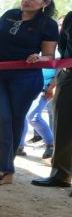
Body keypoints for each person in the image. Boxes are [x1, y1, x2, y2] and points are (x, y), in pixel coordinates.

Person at [0, 0, 59, 185]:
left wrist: (39, 57)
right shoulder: (9, 14)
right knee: (2, 119)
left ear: (46, 2)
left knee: (15, 120)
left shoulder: (48, 24)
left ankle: (3, 167)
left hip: (25, 79)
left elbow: (49, 56)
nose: (26, 0)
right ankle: (2, 166)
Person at [32, 10, 72, 194]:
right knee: (62, 126)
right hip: (68, 76)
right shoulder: (71, 17)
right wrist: (58, 77)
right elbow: (64, 48)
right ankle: (60, 175)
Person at [17, 68, 56, 160]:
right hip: (26, 83)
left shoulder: (59, 53)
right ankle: (19, 145)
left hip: (45, 87)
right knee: (21, 114)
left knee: (33, 116)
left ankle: (51, 145)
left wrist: (51, 87)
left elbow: (61, 70)